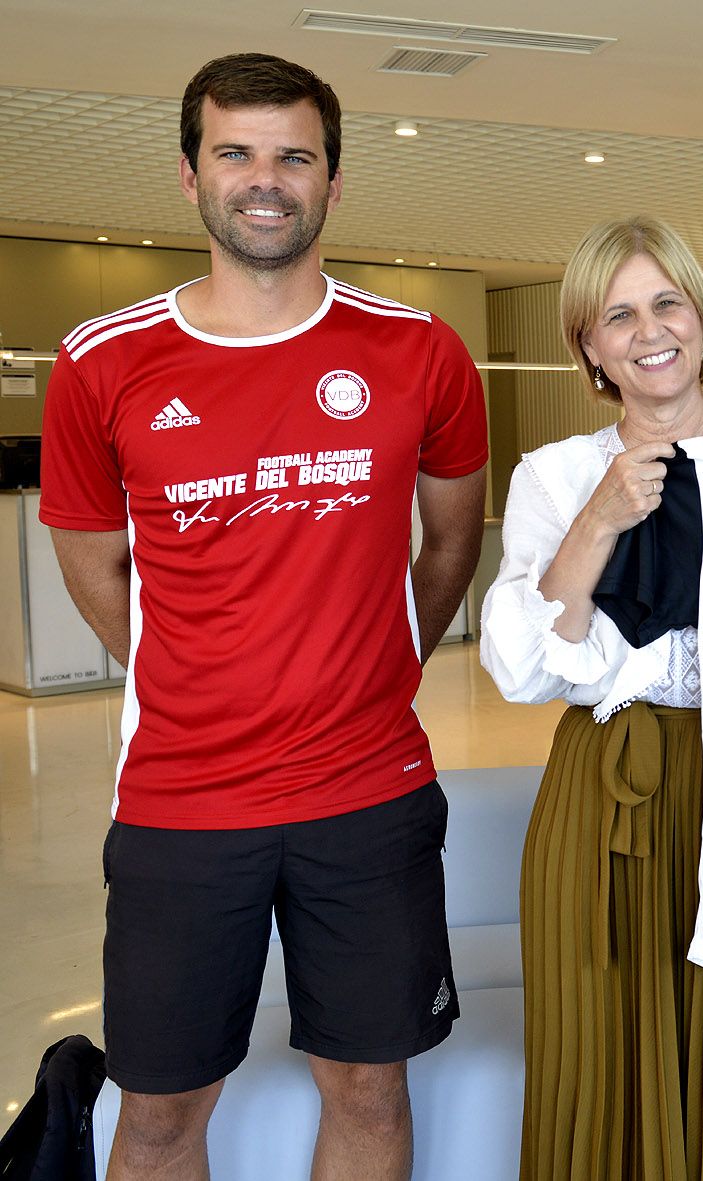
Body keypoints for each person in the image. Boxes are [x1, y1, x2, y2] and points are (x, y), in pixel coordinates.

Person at [38, 53, 487, 1181]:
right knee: (156, 1112)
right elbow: (91, 559)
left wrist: (380, 663)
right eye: (234, 152)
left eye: (294, 154)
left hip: (368, 790)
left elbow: (451, 544)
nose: (265, 178)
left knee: (371, 1089)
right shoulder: (104, 360)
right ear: (190, 176)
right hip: (182, 800)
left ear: (335, 181)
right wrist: (182, 666)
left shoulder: (419, 350)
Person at [479, 216, 703, 1181]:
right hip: (605, 794)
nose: (649, 329)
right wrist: (598, 519)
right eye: (618, 314)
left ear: (701, 319)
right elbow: (519, 669)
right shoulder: (555, 476)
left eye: (666, 302)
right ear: (590, 347)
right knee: (599, 1053)